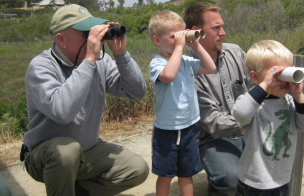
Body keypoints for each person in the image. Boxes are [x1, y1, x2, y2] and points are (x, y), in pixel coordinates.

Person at [21, 4, 149, 196]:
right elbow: (62, 111)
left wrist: (121, 54)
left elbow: (137, 91)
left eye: (93, 30)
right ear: (61, 40)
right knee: (66, 152)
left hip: (86, 151)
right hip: (46, 157)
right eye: (85, 33)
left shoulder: (100, 61)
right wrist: (89, 60)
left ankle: (78, 191)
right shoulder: (41, 66)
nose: (93, 37)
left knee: (137, 168)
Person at [183, 2, 254, 195]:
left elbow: (255, 89)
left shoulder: (236, 53)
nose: (223, 32)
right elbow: (213, 123)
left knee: (277, 160)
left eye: (222, 26)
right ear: (197, 32)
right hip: (212, 138)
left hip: (247, 130)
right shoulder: (187, 70)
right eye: (216, 28)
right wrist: (255, 122)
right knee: (232, 179)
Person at [232, 40, 304, 195]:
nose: (284, 80)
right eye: (278, 74)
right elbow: (240, 114)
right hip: (254, 184)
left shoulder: (289, 101)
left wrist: (298, 96)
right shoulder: (252, 103)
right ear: (255, 77)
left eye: (288, 72)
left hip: (282, 180)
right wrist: (264, 86)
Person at [148, 10, 216, 196]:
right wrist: (179, 48)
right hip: (166, 130)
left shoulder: (186, 60)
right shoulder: (157, 64)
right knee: (165, 174)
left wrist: (197, 47)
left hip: (189, 127)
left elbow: (210, 68)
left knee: (187, 174)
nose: (180, 40)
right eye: (173, 37)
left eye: (182, 35)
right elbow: (169, 76)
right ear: (157, 40)